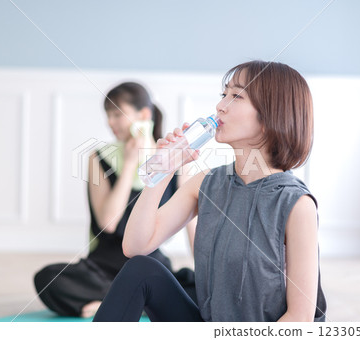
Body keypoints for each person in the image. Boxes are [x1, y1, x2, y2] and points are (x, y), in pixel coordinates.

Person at [93, 61, 327, 322]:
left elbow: (300, 318)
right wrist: (164, 169)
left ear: (272, 115)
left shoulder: (296, 204)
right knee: (141, 270)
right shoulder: (205, 183)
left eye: (236, 96)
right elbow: (135, 246)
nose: (220, 106)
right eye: (223, 94)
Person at [34, 82, 196, 318]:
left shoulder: (174, 161)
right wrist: (130, 163)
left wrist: (207, 274)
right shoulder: (98, 157)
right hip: (102, 267)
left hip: (150, 264)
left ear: (144, 115)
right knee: (48, 279)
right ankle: (136, 298)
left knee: (196, 285)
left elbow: (193, 227)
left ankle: (119, 299)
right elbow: (108, 223)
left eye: (117, 115)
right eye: (107, 115)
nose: (111, 122)